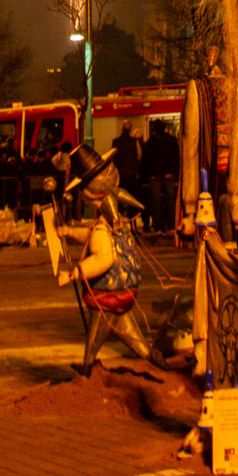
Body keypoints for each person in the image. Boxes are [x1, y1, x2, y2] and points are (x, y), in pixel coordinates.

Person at [59, 143, 153, 375]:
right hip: (125, 289)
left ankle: (88, 366)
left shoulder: (103, 229)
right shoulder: (115, 224)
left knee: (98, 328)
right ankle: (151, 356)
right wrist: (70, 232)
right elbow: (92, 238)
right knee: (127, 330)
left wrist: (73, 274)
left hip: (109, 294)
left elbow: (103, 258)